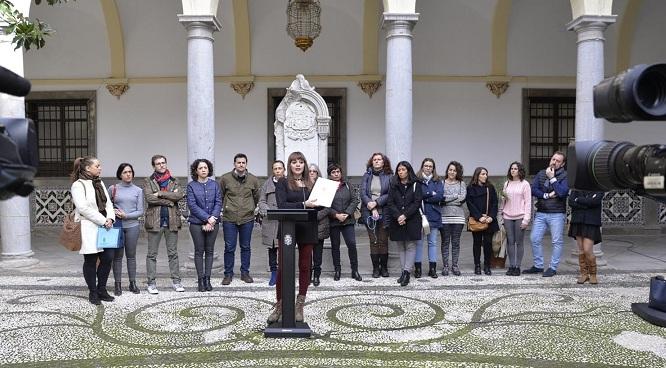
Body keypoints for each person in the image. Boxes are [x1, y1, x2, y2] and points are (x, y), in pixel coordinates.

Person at [268, 151, 318, 323]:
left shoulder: (311, 182)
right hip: (288, 227)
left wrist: (321, 202)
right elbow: (282, 205)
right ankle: (280, 304)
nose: (298, 165)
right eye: (294, 162)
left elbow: (317, 206)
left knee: (305, 266)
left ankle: (299, 305)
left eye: (301, 162)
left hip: (307, 228)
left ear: (305, 164)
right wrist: (304, 204)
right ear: (289, 165)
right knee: (283, 265)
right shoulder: (283, 182)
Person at [70, 156, 116, 305]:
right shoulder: (78, 185)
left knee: (107, 258)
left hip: (106, 226)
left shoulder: (99, 182)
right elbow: (83, 208)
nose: (100, 168)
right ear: (88, 168)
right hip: (89, 227)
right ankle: (93, 292)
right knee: (90, 261)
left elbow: (108, 203)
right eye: (97, 165)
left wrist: (110, 218)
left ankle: (102, 289)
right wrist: (103, 220)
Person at [143, 154, 185, 294]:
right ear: (154, 166)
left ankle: (176, 282)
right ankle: (151, 283)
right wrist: (169, 199)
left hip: (172, 221)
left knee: (173, 253)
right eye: (158, 163)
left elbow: (179, 196)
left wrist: (160, 193)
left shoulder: (174, 180)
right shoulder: (148, 181)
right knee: (152, 254)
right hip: (155, 222)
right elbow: (149, 198)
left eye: (163, 163)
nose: (161, 165)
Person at [525, 151, 569, 277]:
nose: (554, 162)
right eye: (553, 159)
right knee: (534, 238)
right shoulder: (541, 173)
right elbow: (533, 190)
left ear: (563, 164)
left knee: (556, 242)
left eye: (558, 161)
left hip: (557, 214)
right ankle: (538, 265)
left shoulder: (566, 176)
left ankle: (552, 268)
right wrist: (546, 195)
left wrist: (552, 179)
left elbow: (562, 192)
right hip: (541, 212)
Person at [219, 153, 261, 285]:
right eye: (238, 163)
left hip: (247, 218)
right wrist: (224, 209)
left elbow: (256, 197)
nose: (241, 165)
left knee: (246, 246)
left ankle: (245, 273)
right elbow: (220, 195)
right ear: (234, 164)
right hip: (229, 218)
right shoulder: (225, 179)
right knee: (229, 247)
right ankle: (228, 274)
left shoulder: (253, 180)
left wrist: (250, 209)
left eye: (243, 163)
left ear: (246, 164)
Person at [108, 163, 144, 295]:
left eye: (130, 171)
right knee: (117, 257)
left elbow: (140, 211)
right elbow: (106, 206)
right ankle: (117, 284)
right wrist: (114, 211)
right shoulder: (113, 189)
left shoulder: (138, 190)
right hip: (117, 226)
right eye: (125, 172)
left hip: (132, 226)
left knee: (131, 256)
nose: (128, 174)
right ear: (120, 174)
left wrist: (126, 215)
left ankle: (132, 283)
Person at [186, 159, 222, 292]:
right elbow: (192, 205)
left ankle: (208, 279)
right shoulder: (191, 186)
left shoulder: (215, 185)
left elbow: (218, 202)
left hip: (213, 222)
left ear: (209, 169)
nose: (203, 170)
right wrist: (207, 218)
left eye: (205, 167)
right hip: (196, 223)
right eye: (200, 168)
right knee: (199, 251)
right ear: (196, 170)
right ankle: (200, 280)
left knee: (210, 251)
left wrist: (213, 218)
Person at [387, 161, 423, 287]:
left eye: (403, 169)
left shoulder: (416, 184)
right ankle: (403, 271)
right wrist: (398, 216)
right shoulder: (394, 184)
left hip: (412, 219)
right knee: (401, 246)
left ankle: (407, 272)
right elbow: (390, 202)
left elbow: (417, 202)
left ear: (408, 170)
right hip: (397, 220)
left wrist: (405, 215)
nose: (400, 172)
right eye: (399, 170)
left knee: (411, 246)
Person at [327, 163, 362, 282]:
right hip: (334, 220)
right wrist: (336, 215)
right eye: (333, 172)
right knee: (335, 246)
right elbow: (325, 204)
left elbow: (355, 200)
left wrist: (346, 213)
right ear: (330, 175)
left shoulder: (348, 185)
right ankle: (337, 270)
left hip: (348, 220)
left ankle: (355, 270)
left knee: (352, 244)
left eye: (338, 172)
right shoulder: (326, 187)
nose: (336, 174)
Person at [361, 152, 393, 278]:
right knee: (373, 241)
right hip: (369, 212)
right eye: (375, 159)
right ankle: (375, 269)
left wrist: (376, 203)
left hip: (384, 212)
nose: (377, 161)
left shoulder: (389, 176)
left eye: (379, 159)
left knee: (383, 241)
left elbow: (390, 193)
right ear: (371, 162)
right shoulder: (366, 175)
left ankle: (384, 268)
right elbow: (363, 192)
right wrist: (370, 204)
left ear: (383, 162)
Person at [499, 161, 531, 276]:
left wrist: (526, 219)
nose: (513, 170)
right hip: (507, 216)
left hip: (520, 216)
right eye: (512, 168)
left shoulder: (525, 184)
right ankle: (511, 266)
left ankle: (518, 266)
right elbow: (503, 201)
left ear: (520, 170)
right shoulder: (507, 183)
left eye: (515, 169)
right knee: (510, 242)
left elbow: (528, 202)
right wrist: (501, 214)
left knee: (519, 242)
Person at [466, 167, 499, 276]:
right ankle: (477, 265)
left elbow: (495, 203)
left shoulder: (490, 187)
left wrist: (491, 217)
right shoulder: (471, 188)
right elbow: (470, 204)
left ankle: (487, 265)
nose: (485, 176)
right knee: (477, 243)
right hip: (477, 220)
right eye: (483, 174)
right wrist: (479, 216)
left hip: (489, 220)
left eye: (486, 174)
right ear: (477, 175)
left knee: (488, 243)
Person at [257, 160, 286, 286]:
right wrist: (268, 211)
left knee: (285, 247)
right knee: (272, 248)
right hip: (270, 221)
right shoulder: (266, 185)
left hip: (284, 220)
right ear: (273, 170)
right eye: (275, 168)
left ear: (284, 170)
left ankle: (283, 273)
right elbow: (262, 201)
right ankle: (273, 273)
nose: (278, 170)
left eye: (280, 168)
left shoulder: (289, 183)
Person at [415, 158, 443, 278]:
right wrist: (431, 194)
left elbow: (440, 196)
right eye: (426, 166)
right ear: (422, 167)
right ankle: (418, 269)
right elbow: (417, 197)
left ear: (433, 168)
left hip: (434, 215)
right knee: (419, 243)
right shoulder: (416, 181)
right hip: (420, 215)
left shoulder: (437, 181)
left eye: (430, 166)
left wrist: (425, 196)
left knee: (432, 243)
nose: (428, 168)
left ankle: (432, 269)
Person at [568, 190, 604, 284]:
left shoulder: (598, 189)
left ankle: (593, 274)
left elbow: (595, 202)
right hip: (578, 220)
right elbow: (571, 202)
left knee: (588, 250)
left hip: (591, 222)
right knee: (581, 250)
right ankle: (584, 274)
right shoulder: (576, 189)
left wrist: (578, 200)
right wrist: (587, 203)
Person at [440, 161, 466, 276]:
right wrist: (455, 197)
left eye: (454, 170)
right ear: (447, 171)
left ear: (457, 172)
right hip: (444, 217)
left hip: (458, 218)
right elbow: (441, 199)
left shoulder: (462, 184)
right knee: (445, 242)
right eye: (450, 170)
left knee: (456, 243)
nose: (452, 172)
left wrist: (448, 199)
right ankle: (445, 266)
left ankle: (455, 266)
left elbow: (462, 198)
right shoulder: (441, 183)